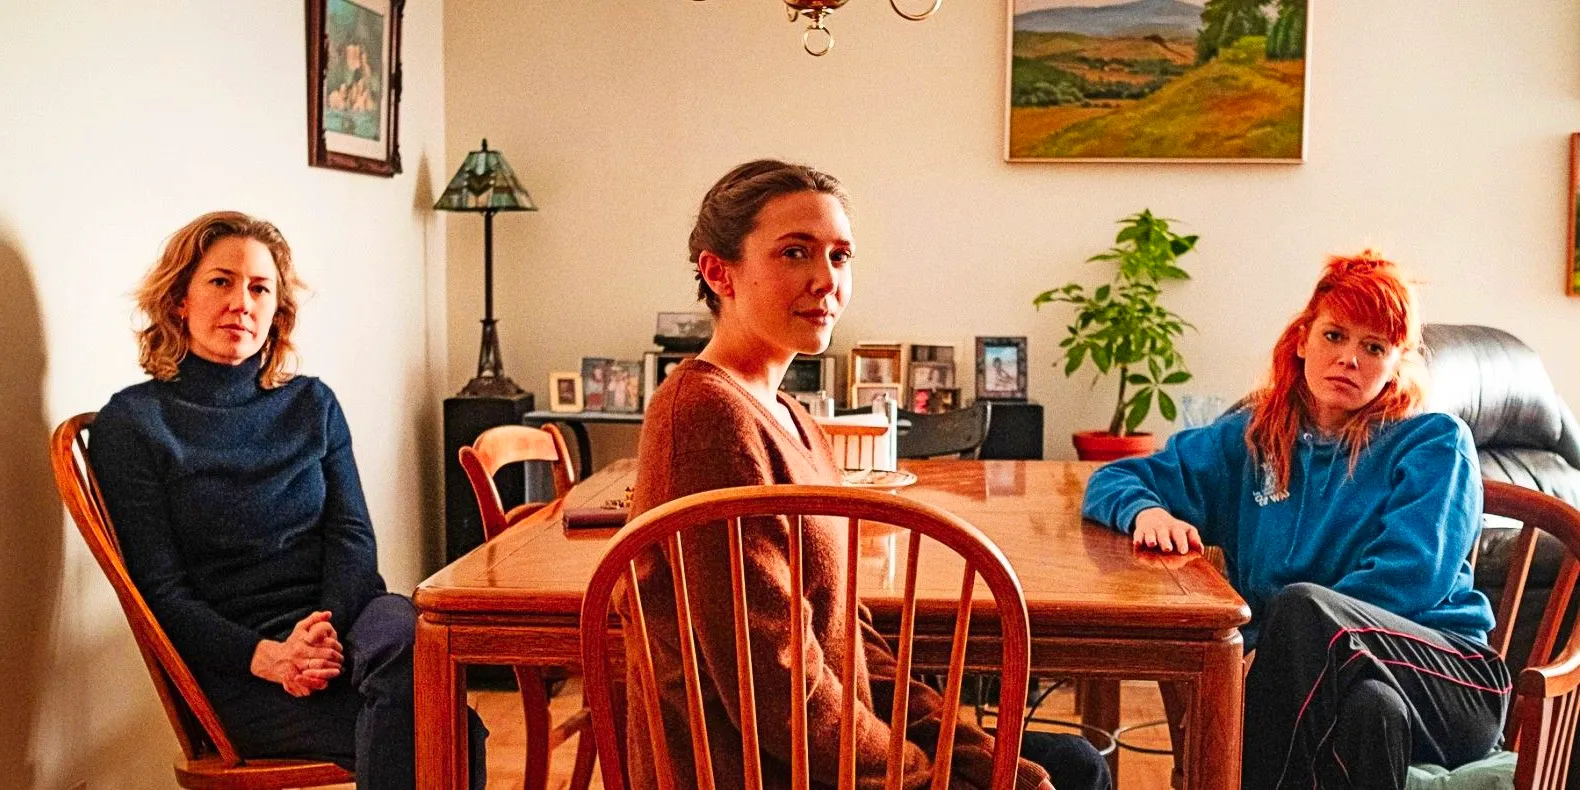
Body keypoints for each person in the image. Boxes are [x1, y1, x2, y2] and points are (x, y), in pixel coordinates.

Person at [623, 160, 1110, 790]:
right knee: (1076, 771)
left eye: (841, 255)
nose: (826, 280)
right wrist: (921, 772)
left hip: (825, 752)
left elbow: (852, 642)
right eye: (795, 253)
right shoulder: (705, 415)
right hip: (762, 771)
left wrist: (967, 755)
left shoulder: (792, 417)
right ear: (719, 272)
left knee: (1067, 765)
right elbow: (773, 685)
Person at [89, 211, 488, 789]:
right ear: (179, 299)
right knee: (448, 730)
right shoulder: (134, 423)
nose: (241, 303)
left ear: (277, 309)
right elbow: (160, 593)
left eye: (259, 288)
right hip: (239, 663)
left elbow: (352, 539)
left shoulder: (312, 403)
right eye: (220, 281)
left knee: (412, 635)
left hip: (343, 620)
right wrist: (273, 657)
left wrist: (319, 633)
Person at [1081, 253, 1510, 789]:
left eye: (1373, 347)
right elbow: (1113, 480)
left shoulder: (1434, 444)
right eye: (1335, 336)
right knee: (1370, 710)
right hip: (1333, 688)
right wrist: (1144, 510)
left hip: (1448, 679)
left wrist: (1279, 643)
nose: (1349, 359)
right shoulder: (1254, 437)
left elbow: (1409, 580)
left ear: (1396, 363)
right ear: (1303, 338)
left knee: (1301, 608)